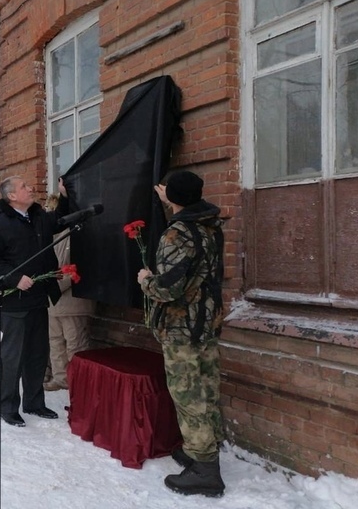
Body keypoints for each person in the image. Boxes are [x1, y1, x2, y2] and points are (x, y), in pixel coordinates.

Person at [136, 170, 226, 497]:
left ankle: (205, 468)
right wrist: (170, 199)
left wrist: (146, 278)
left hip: (182, 327)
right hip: (206, 321)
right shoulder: (209, 225)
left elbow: (169, 288)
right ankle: (201, 446)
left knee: (188, 393)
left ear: (173, 197)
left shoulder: (178, 234)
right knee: (207, 385)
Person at [0, 176, 69, 427]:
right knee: (13, 355)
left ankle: (34, 402)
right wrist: (14, 278)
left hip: (39, 297)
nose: (31, 188)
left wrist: (65, 194)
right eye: (25, 186)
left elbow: (60, 219)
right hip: (14, 300)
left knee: (38, 353)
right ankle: (7, 406)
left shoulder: (38, 217)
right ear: (12, 196)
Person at [43, 194, 93, 392]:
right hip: (53, 301)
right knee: (55, 341)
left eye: (51, 207)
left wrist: (52, 286)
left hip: (72, 300)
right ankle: (60, 377)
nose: (48, 211)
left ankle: (78, 381)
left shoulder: (78, 233)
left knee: (75, 344)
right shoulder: (51, 236)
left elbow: (77, 268)